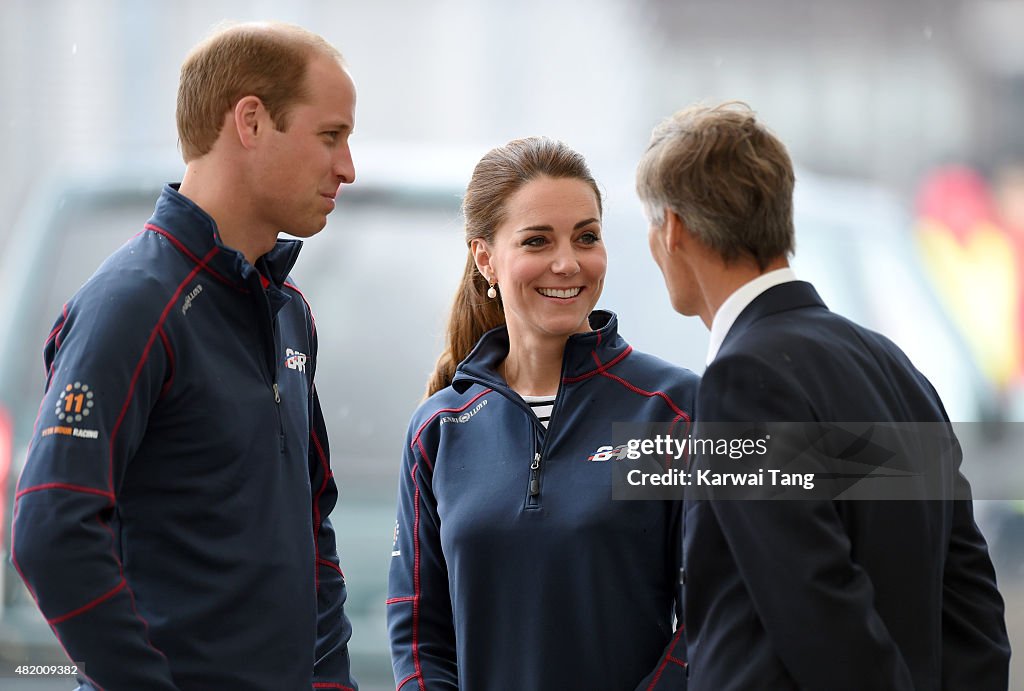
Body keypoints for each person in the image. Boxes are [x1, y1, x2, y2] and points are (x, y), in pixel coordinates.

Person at [12, 22, 358, 690]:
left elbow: (311, 527)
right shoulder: (134, 304)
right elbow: (51, 528)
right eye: (331, 135)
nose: (347, 166)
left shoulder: (288, 313)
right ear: (251, 121)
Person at [635, 102, 1010, 690]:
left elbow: (813, 605)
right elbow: (970, 603)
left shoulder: (742, 384)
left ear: (674, 229)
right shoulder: (895, 368)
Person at [387, 137, 698, 690]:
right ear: (485, 258)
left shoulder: (671, 412)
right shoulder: (439, 428)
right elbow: (419, 632)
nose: (567, 263)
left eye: (587, 238)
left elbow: (712, 614)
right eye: (537, 241)